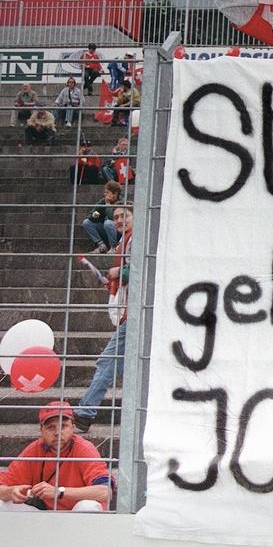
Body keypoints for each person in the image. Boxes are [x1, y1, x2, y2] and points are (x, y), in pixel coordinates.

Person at [75, 206, 133, 435]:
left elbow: (144, 268)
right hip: (129, 313)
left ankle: (85, 413)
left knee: (106, 362)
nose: (119, 220)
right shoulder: (123, 243)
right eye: (116, 217)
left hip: (134, 315)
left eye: (124, 216)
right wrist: (113, 280)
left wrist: (121, 273)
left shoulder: (135, 239)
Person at [0, 401, 110, 512]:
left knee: (88, 506)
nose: (57, 432)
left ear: (73, 427)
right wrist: (11, 491)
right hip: (46, 517)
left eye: (63, 426)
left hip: (77, 517)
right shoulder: (35, 449)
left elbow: (106, 492)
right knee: (1, 504)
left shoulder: (84, 449)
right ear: (41, 430)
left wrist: (59, 492)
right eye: (51, 427)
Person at [81, 181, 122, 254]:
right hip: (105, 231)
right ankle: (102, 245)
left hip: (118, 233)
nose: (104, 194)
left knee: (108, 223)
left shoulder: (121, 203)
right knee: (86, 222)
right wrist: (96, 213)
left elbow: (112, 218)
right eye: (105, 192)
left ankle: (114, 247)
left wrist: (108, 204)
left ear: (115, 194)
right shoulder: (103, 201)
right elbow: (91, 215)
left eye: (107, 192)